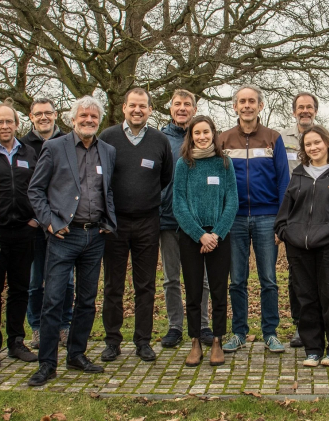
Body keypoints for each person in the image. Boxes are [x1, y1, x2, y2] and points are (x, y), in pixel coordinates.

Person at [27, 95, 117, 386]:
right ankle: (47, 364)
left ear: (99, 120)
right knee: (53, 300)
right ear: (72, 118)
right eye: (84, 116)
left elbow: (108, 190)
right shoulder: (54, 148)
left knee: (87, 301)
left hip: (95, 236)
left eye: (93, 117)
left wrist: (109, 221)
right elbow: (35, 191)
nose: (89, 120)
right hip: (64, 235)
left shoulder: (108, 150)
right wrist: (51, 224)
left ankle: (76, 355)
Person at [275, 125, 329, 367]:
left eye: (317, 143)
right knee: (306, 299)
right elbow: (285, 212)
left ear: (328, 144)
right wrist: (285, 232)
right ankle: (313, 349)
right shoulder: (300, 174)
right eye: (308, 144)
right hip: (299, 251)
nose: (313, 147)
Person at [99, 88, 173, 362]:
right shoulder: (107, 138)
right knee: (113, 285)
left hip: (147, 222)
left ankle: (143, 341)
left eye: (143, 106)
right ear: (124, 108)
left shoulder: (159, 140)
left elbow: (166, 178)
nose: (137, 110)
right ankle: (112, 341)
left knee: (145, 285)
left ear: (151, 109)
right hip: (115, 223)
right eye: (133, 105)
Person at [218, 84, 290, 354]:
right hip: (233, 218)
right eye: (242, 101)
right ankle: (238, 332)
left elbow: (284, 181)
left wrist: (281, 221)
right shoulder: (222, 140)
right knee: (237, 279)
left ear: (261, 106)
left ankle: (270, 332)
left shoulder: (273, 138)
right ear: (235, 106)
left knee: (269, 279)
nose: (247, 106)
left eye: (252, 101)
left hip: (267, 216)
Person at [172, 115, 239, 367]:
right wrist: (199, 234)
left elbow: (232, 200)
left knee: (220, 290)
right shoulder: (183, 164)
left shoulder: (224, 163)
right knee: (193, 291)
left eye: (206, 132)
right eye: (196, 133)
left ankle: (218, 340)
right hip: (191, 236)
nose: (202, 137)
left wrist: (216, 234)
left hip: (219, 235)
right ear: (191, 136)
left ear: (214, 134)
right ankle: (195, 341)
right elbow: (178, 202)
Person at [0, 99, 39, 367]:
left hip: (24, 231)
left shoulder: (29, 153)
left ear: (17, 124)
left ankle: (16, 341)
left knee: (20, 289)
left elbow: (42, 186)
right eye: (0, 122)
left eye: (9, 121)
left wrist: (37, 218)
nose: (5, 126)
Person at [279, 92, 329, 348]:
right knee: (299, 285)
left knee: (328, 286)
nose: (305, 110)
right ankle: (302, 330)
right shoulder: (280, 138)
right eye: (300, 107)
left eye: (309, 107)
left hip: (326, 229)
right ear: (294, 111)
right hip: (296, 225)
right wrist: (283, 227)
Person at [159, 90, 213, 349]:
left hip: (200, 222)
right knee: (171, 277)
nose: (182, 108)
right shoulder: (160, 139)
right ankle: (175, 326)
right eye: (177, 104)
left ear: (194, 108)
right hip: (168, 218)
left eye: (187, 104)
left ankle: (202, 324)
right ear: (170, 108)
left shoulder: (202, 137)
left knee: (200, 278)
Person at [22, 98, 74, 350]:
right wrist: (37, 218)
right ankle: (37, 328)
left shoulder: (68, 142)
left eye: (48, 113)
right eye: (38, 114)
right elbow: (26, 187)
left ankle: (64, 326)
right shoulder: (22, 146)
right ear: (31, 117)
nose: (44, 117)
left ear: (56, 115)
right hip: (34, 225)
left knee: (67, 280)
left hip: (64, 225)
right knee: (36, 280)